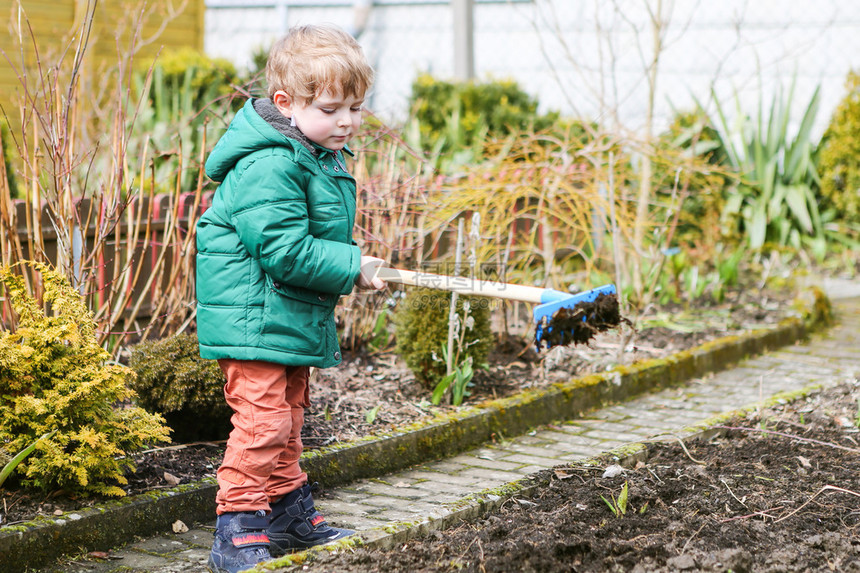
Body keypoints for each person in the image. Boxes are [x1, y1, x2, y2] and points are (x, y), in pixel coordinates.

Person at [195, 24, 384, 573]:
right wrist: (354, 266)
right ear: (286, 103)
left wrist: (356, 265)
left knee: (290, 420)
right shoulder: (269, 164)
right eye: (330, 108)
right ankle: (237, 526)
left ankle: (285, 514)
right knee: (264, 423)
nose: (346, 121)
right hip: (255, 317)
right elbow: (283, 251)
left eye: (355, 107)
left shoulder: (313, 153)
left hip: (287, 314)